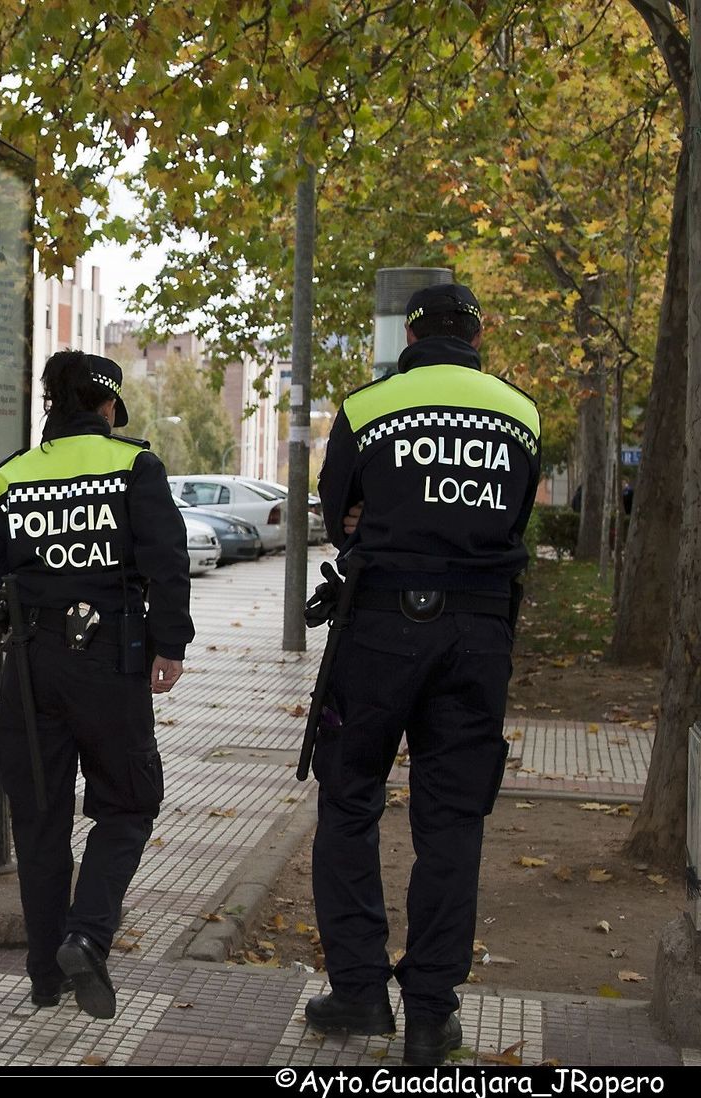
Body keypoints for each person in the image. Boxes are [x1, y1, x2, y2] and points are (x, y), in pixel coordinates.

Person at [0, 350, 193, 1019]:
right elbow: (167, 562)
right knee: (126, 805)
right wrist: (170, 645)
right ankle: (86, 937)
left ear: (51, 406)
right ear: (108, 406)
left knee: (38, 820)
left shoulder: (15, 477)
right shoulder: (133, 466)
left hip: (31, 669)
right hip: (111, 666)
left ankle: (45, 977)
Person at [309, 283, 541, 1065]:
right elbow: (513, 521)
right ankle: (433, 1015)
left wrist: (372, 517)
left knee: (348, 804)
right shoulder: (522, 412)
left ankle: (360, 993)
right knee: (452, 825)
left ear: (410, 334)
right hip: (479, 634)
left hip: (376, 630)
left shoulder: (371, 406)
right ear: (480, 334)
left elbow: (334, 504)